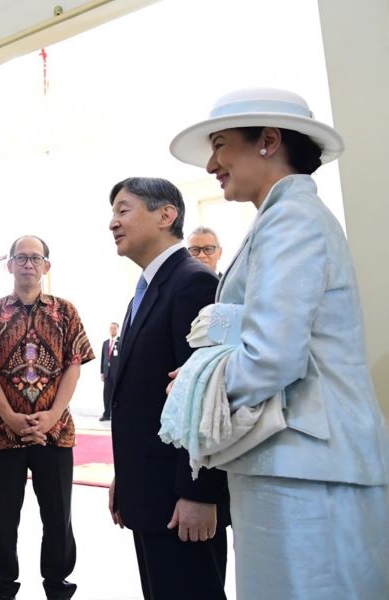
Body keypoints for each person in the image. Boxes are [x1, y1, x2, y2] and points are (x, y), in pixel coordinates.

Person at [168, 87, 389, 598]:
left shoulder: (291, 219)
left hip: (306, 467)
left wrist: (196, 389)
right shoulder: (282, 217)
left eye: (221, 145)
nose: (211, 163)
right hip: (294, 463)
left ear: (268, 140)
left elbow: (272, 355)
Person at [106, 177, 229, 600]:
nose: (112, 223)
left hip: (182, 502)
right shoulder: (147, 287)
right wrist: (126, 475)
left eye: (123, 210)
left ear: (166, 215)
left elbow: (209, 396)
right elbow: (139, 398)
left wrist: (199, 493)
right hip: (151, 490)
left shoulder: (193, 283)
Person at [0, 235, 94, 600]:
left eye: (35, 258)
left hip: (56, 434)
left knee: (58, 519)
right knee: (2, 522)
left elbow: (74, 365)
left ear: (46, 266)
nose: (27, 264)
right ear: (9, 265)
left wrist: (52, 415)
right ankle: (3, 590)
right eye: (20, 257)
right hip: (3, 435)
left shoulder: (65, 312)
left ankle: (58, 587)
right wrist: (9, 417)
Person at [99, 322, 119, 421]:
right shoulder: (106, 343)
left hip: (116, 373)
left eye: (114, 328)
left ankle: (116, 415)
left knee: (116, 394)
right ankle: (106, 414)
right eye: (111, 328)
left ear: (117, 330)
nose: (112, 330)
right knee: (106, 394)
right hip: (107, 373)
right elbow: (103, 358)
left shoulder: (120, 342)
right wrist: (102, 372)